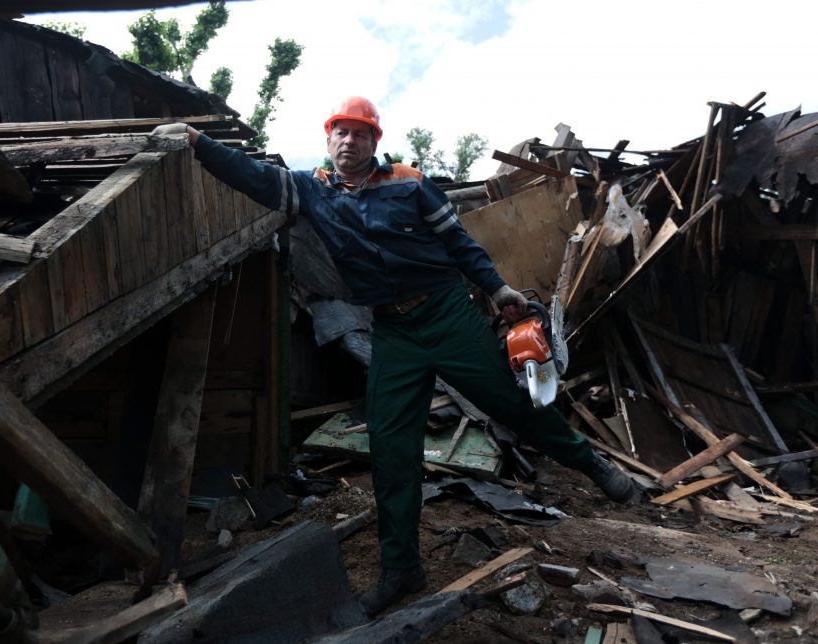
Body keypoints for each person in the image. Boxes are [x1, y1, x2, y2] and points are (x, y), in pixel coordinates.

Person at [153, 96, 634, 618]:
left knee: (514, 405)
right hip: (394, 329)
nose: (349, 141)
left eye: (360, 133)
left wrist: (497, 290)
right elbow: (254, 177)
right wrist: (200, 144)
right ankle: (402, 568)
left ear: (375, 141)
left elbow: (459, 243)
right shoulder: (312, 190)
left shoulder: (409, 182)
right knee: (390, 446)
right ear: (329, 137)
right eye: (341, 131)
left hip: (447, 313)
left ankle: (596, 466)